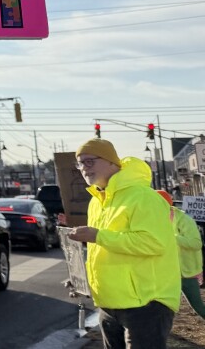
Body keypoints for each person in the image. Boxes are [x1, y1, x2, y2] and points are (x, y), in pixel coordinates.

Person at [67, 139, 179, 348]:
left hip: (146, 303)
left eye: (89, 162)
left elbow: (153, 243)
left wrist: (98, 236)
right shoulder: (96, 201)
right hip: (110, 303)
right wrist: (81, 277)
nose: (83, 169)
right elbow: (104, 250)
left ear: (111, 162)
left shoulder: (143, 197)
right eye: (80, 164)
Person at [157, 190, 205, 318]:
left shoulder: (185, 220)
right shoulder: (153, 219)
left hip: (186, 272)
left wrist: (172, 238)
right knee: (158, 307)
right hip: (165, 272)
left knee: (198, 307)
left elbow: (196, 244)